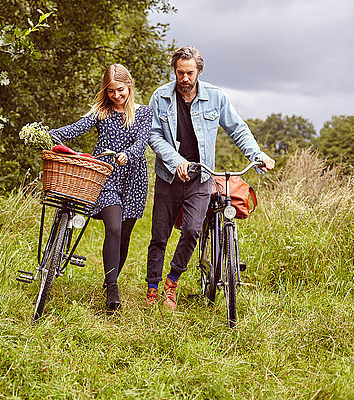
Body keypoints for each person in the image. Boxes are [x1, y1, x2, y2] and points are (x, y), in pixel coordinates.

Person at [146, 46, 275, 310]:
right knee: (159, 235)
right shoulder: (160, 97)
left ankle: (172, 282)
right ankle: (152, 288)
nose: (184, 78)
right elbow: (154, 136)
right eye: (180, 73)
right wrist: (176, 161)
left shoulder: (216, 97)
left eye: (190, 73)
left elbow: (237, 129)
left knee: (192, 230)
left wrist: (257, 155)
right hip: (169, 177)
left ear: (199, 72)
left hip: (202, 178)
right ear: (174, 71)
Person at [49, 64, 153, 311]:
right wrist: (50, 134)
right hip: (105, 176)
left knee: (125, 236)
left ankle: (110, 281)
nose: (116, 95)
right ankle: (113, 289)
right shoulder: (101, 112)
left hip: (133, 179)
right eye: (110, 91)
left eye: (120, 90)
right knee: (114, 227)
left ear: (129, 86)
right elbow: (76, 128)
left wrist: (128, 154)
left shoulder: (144, 113)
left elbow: (142, 141)